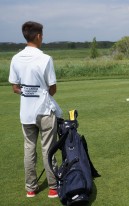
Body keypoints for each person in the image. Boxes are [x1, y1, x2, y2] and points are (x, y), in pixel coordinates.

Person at [8, 21, 62, 198]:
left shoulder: (15, 58)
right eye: (42, 35)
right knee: (49, 149)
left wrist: (27, 91)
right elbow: (52, 89)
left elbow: (15, 87)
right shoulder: (45, 58)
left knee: (29, 149)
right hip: (45, 111)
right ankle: (53, 187)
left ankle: (31, 188)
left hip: (26, 113)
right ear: (38, 36)